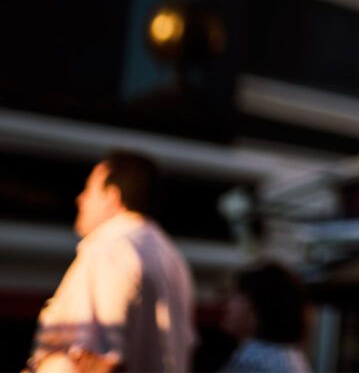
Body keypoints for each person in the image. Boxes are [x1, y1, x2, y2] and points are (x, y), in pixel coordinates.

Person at [27, 151, 194, 372]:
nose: (80, 199)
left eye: (89, 190)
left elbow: (100, 359)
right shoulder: (172, 257)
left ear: (112, 197)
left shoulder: (109, 250)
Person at [218, 261, 312, 373]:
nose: (228, 305)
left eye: (236, 296)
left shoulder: (255, 361)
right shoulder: (290, 357)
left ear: (257, 308)